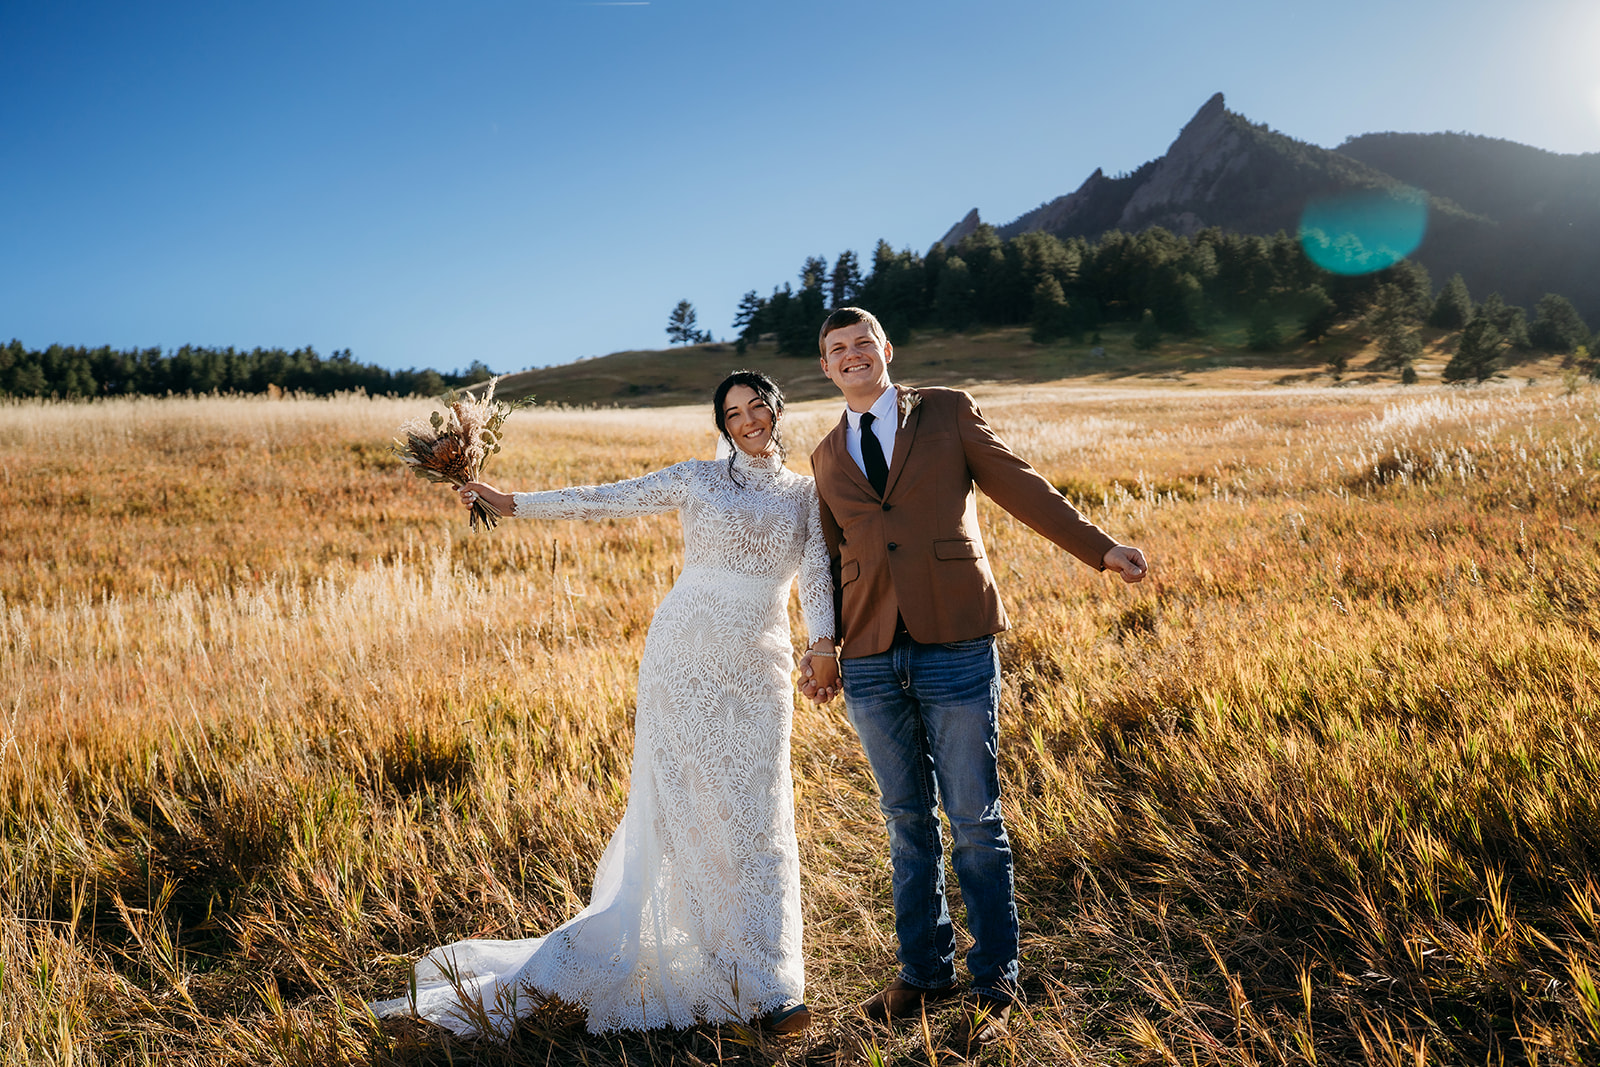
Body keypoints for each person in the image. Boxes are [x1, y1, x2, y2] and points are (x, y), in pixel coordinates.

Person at [372, 371, 837, 1038]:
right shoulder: (697, 479)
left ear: (776, 409)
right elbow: (605, 499)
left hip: (758, 662)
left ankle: (769, 978)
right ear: (721, 423)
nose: (747, 419)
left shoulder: (804, 494)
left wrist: (823, 643)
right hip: (682, 657)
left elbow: (818, 573)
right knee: (690, 813)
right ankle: (739, 977)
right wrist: (511, 502)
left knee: (759, 817)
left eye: (756, 405)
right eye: (732, 411)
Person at [799, 307, 1147, 1051]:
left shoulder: (947, 412)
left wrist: (1101, 547)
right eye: (838, 351)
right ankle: (924, 972)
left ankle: (995, 975)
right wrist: (824, 647)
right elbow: (826, 563)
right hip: (866, 655)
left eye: (864, 343)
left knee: (976, 821)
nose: (853, 355)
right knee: (904, 820)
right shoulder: (825, 453)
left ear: (886, 350)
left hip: (954, 639)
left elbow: (1020, 485)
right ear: (826, 369)